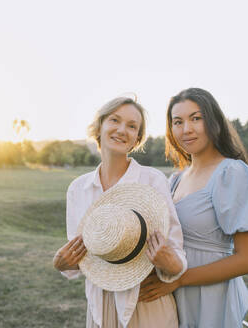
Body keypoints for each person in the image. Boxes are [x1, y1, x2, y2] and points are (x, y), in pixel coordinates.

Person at [53, 97, 187, 328]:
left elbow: (175, 254)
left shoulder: (152, 180)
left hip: (147, 302)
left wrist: (171, 264)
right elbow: (82, 257)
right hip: (99, 307)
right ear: (100, 126)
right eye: (115, 120)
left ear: (137, 138)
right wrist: (62, 263)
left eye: (132, 126)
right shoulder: (78, 189)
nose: (122, 130)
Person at [139, 88, 248, 328]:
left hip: (210, 298)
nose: (186, 129)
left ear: (214, 121)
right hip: (174, 297)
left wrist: (179, 280)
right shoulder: (176, 179)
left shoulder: (232, 174)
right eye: (177, 122)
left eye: (195, 118)